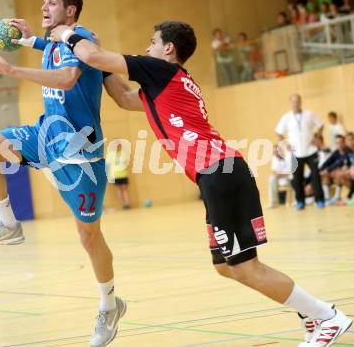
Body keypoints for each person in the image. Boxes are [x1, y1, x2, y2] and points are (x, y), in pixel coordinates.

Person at [50, 20, 352, 346]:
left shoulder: (159, 69)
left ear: (168, 49)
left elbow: (94, 56)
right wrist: (98, 68)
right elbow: (124, 97)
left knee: (246, 266)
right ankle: (312, 314)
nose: (147, 47)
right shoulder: (166, 84)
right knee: (225, 266)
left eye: (152, 42)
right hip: (216, 176)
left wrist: (69, 36)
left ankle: (327, 316)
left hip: (220, 173)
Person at [0, 0, 125, 347]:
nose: (44, 7)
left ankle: (109, 305)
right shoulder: (58, 39)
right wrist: (28, 41)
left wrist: (14, 71)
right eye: (43, 1)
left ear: (71, 10)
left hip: (80, 154)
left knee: (89, 238)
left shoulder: (81, 37)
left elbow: (69, 76)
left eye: (52, 3)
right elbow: (52, 47)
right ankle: (7, 222)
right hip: (46, 135)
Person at [276, 94, 325, 210]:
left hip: (311, 151)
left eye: (297, 101)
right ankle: (300, 202)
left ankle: (320, 200)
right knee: (297, 179)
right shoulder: (286, 117)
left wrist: (317, 137)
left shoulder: (309, 114)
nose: (296, 103)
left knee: (316, 176)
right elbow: (278, 132)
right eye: (293, 102)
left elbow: (321, 125)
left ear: (300, 102)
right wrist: (286, 144)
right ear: (291, 103)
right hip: (296, 153)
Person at [320, 135, 351, 204]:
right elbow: (327, 162)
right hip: (338, 173)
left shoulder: (348, 150)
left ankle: (337, 197)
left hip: (347, 176)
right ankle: (327, 198)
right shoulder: (336, 152)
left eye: (340, 142)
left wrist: (328, 170)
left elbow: (340, 163)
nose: (339, 144)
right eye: (337, 143)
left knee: (336, 172)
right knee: (324, 175)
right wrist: (320, 170)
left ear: (344, 143)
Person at [106, 142, 131, 209]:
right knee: (119, 189)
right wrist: (109, 176)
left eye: (119, 146)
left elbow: (126, 163)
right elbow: (108, 165)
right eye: (117, 146)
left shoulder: (123, 154)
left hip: (123, 174)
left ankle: (127, 203)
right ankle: (122, 204)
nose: (118, 147)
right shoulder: (111, 155)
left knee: (124, 189)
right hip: (116, 175)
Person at [267, 144, 292, 209]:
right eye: (274, 152)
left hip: (288, 177)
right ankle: (273, 203)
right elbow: (274, 171)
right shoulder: (274, 158)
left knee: (292, 177)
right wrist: (278, 174)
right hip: (279, 177)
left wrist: (280, 174)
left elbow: (289, 171)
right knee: (271, 179)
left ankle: (294, 201)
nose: (275, 153)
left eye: (276, 151)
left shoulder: (287, 157)